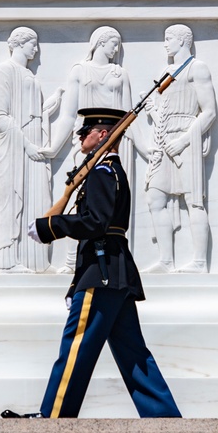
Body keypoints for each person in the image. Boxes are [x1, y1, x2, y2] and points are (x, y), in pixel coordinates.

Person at [15, 107, 182, 418]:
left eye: (86, 131)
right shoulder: (108, 172)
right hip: (114, 272)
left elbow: (95, 223)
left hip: (102, 272)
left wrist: (50, 227)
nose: (80, 135)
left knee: (76, 346)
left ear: (103, 135)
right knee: (133, 355)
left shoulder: (102, 173)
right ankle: (164, 418)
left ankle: (54, 415)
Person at [45, 26, 136, 274]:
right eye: (112, 43)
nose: (116, 49)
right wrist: (54, 147)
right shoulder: (80, 71)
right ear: (99, 42)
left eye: (118, 44)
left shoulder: (120, 73)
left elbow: (129, 117)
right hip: (87, 145)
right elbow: (67, 114)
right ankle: (72, 262)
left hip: (114, 144)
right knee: (79, 201)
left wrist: (147, 149)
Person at [142, 24, 217, 273]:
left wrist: (184, 140)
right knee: (155, 198)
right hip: (164, 139)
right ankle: (166, 260)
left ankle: (199, 261)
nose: (165, 44)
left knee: (193, 201)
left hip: (185, 139)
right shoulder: (167, 70)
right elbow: (165, 110)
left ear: (183, 41)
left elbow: (209, 113)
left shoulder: (198, 68)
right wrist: (151, 109)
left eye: (168, 38)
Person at [0, 26, 60, 273]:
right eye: (33, 43)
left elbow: (32, 114)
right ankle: (9, 261)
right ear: (19, 44)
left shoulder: (29, 75)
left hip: (33, 145)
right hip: (15, 147)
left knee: (41, 197)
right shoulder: (5, 70)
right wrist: (25, 144)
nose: (37, 49)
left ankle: (40, 261)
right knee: (12, 201)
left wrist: (47, 110)